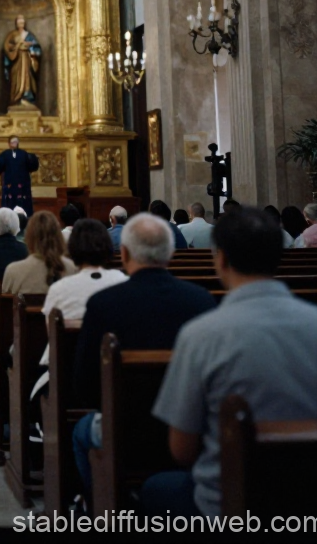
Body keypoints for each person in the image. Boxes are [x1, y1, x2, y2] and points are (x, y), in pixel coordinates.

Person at [141, 208, 317, 518]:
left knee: (157, 488)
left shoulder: (201, 335)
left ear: (220, 259)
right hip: (313, 499)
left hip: (224, 502)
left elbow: (182, 450)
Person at [71, 213, 216, 503]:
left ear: (123, 254)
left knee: (80, 430)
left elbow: (84, 386)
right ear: (171, 252)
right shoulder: (202, 300)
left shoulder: (104, 304)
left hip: (123, 428)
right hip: (190, 430)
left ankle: (100, 505)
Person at [32, 219, 128, 396]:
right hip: (118, 379)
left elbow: (52, 336)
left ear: (72, 249)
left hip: (68, 379)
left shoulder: (60, 289)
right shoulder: (123, 282)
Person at [2, 210, 77, 295]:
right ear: (58, 236)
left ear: (29, 237)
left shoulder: (13, 271)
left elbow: (5, 305)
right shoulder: (71, 268)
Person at [0, 136, 40, 216]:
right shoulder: (5, 154)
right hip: (9, 184)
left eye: (15, 142)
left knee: (23, 205)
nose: (14, 144)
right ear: (9, 144)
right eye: (12, 142)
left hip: (22, 185)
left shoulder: (24, 154)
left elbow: (32, 166)